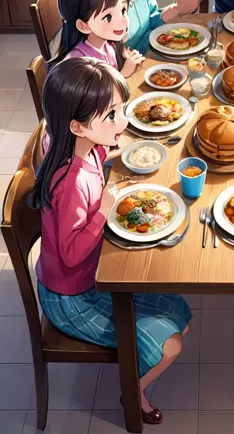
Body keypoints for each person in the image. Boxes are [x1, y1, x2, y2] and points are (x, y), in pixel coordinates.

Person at [34, 58, 192, 425]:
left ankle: (137, 370)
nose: (122, 122)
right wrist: (103, 210)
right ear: (78, 126)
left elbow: (102, 158)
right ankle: (132, 392)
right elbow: (72, 254)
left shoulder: (85, 149)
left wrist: (115, 151)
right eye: (112, 116)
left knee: (179, 311)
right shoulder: (70, 182)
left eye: (119, 111)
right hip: (71, 296)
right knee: (172, 344)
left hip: (88, 276)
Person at [51, 0, 144, 78]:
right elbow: (97, 95)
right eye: (108, 17)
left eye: (123, 10)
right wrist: (123, 74)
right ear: (83, 25)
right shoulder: (78, 64)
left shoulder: (108, 45)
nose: (124, 21)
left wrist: (127, 59)